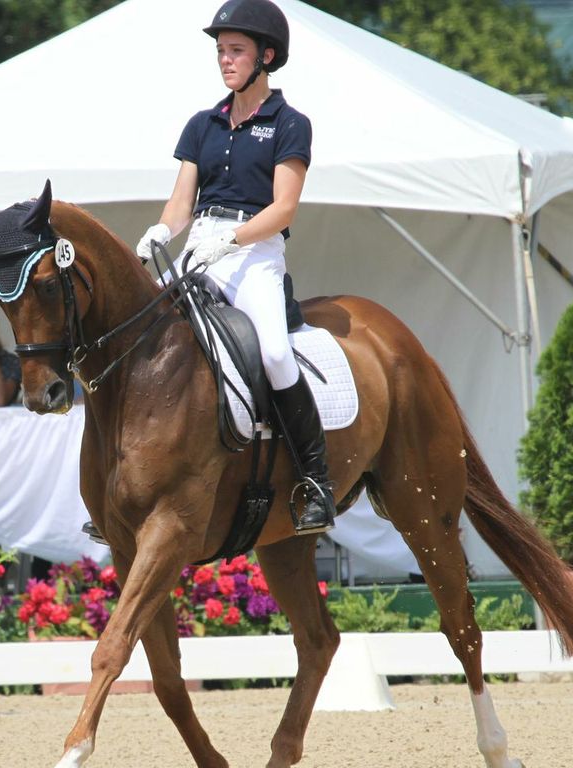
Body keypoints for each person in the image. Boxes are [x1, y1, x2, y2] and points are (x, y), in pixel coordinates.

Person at [135, 0, 335, 535]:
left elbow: (284, 207)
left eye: (236, 51)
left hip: (255, 252)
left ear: (266, 56)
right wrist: (163, 230)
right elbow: (181, 202)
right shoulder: (202, 124)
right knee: (137, 334)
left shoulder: (291, 124)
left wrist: (235, 238)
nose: (225, 60)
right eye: (221, 51)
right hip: (200, 244)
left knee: (272, 350)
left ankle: (316, 479)